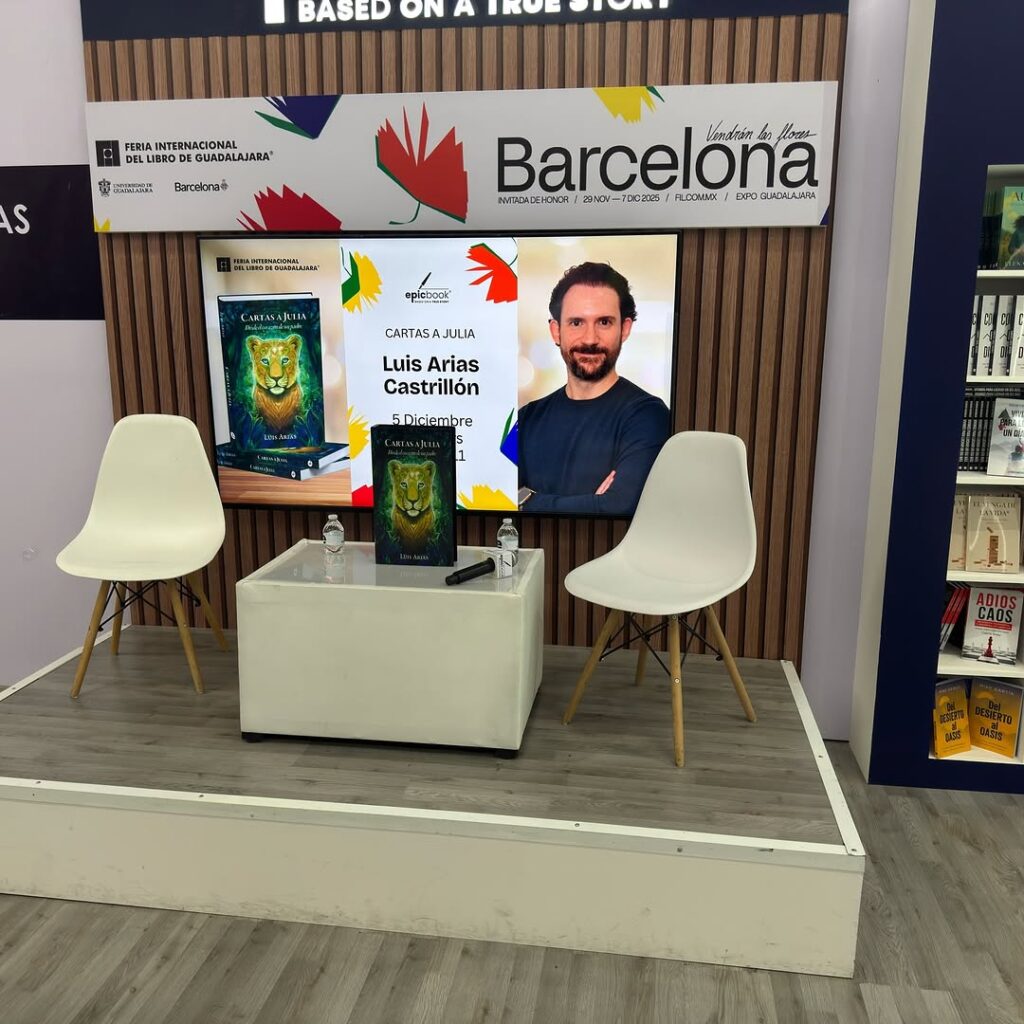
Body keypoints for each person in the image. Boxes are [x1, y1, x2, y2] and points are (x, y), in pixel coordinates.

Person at [517, 261, 671, 515]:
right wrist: (591, 503)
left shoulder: (648, 416)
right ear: (556, 331)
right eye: (577, 323)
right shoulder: (527, 418)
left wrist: (527, 500)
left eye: (604, 322)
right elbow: (497, 497)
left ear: (625, 329)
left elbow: (618, 507)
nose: (590, 339)